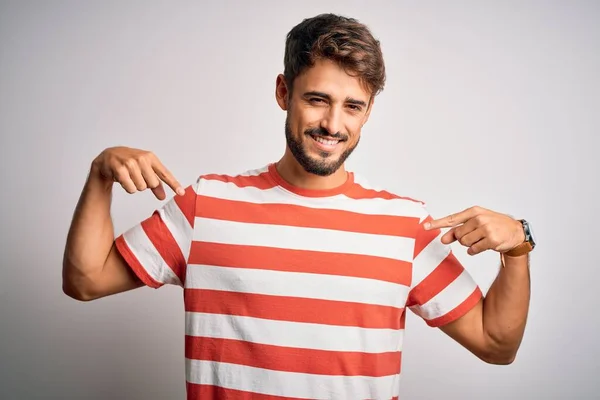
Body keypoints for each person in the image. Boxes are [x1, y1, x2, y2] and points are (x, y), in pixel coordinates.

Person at [62, 13, 535, 399]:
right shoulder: (206, 205)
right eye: (317, 99)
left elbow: (496, 345)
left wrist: (517, 248)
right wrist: (100, 176)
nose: (333, 124)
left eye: (353, 106)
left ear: (368, 113)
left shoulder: (404, 226)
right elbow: (84, 281)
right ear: (283, 93)